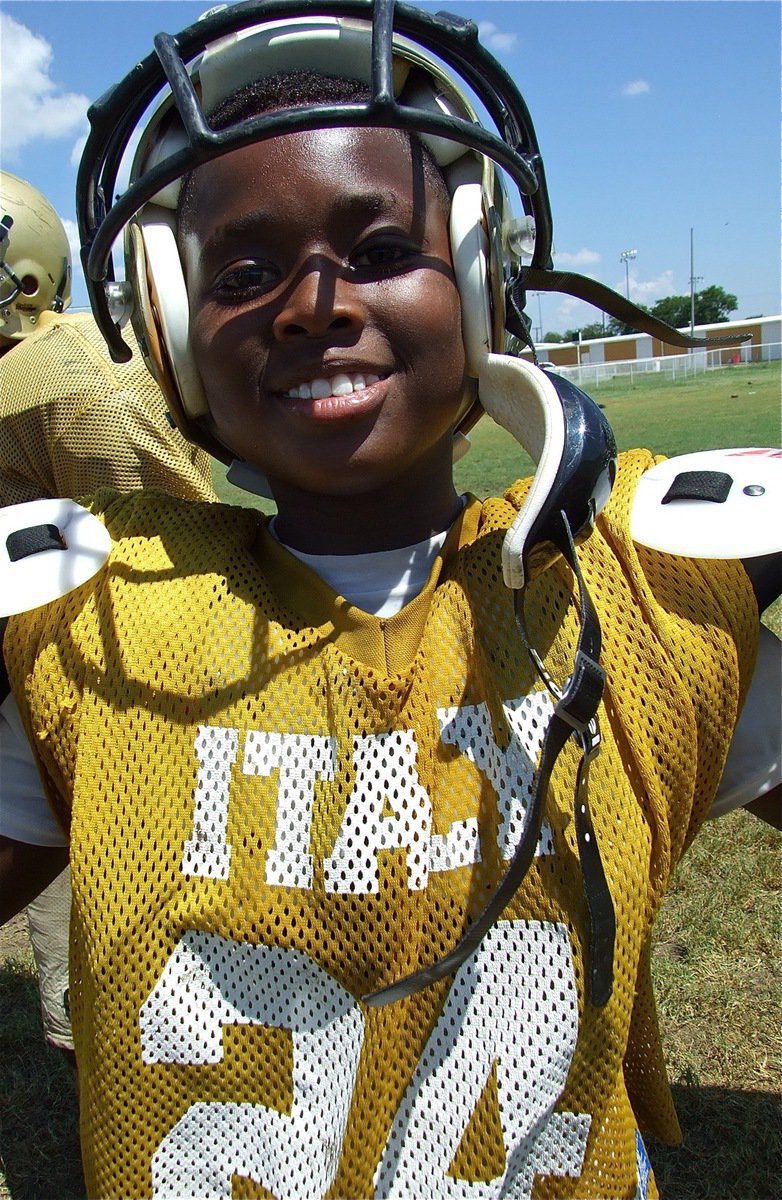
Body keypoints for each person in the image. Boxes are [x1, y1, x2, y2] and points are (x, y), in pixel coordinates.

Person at [0, 3, 778, 1197]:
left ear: (479, 280)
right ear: (165, 328)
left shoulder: (630, 588)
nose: (313, 301)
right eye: (246, 273)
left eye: (377, 251)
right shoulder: (98, 626)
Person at [0, 170, 217, 1061]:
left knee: (137, 958)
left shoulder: (67, 376)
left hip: (116, 696)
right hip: (44, 684)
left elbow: (169, 571)